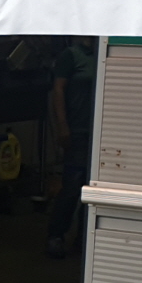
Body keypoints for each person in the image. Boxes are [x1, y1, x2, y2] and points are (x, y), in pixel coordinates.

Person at [46, 36, 97, 257]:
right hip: (77, 132)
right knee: (71, 188)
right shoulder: (71, 56)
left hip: (100, 135)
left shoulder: (104, 54)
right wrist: (63, 126)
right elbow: (58, 91)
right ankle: (56, 236)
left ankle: (84, 240)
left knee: (93, 189)